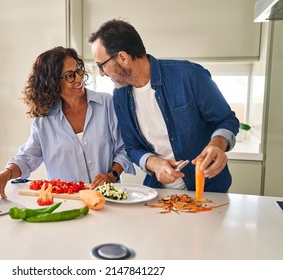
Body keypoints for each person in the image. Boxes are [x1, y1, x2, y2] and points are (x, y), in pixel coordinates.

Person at [88, 19, 239, 193]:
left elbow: (227, 120)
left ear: (122, 57)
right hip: (158, 193)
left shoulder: (189, 76)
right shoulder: (120, 96)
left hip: (208, 189)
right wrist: (155, 164)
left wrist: (218, 144)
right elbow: (132, 147)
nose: (101, 73)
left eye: (102, 65)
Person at [0, 46, 135, 198]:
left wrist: (112, 175)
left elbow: (124, 148)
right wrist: (5, 174)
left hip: (106, 199)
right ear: (52, 83)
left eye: (79, 69)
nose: (79, 78)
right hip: (66, 202)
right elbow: (27, 158)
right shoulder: (44, 122)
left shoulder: (106, 104)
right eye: (69, 75)